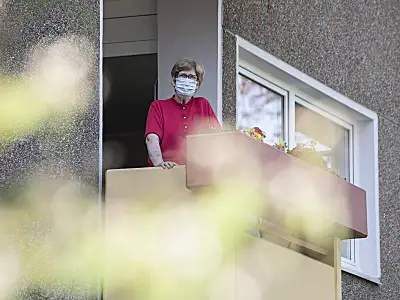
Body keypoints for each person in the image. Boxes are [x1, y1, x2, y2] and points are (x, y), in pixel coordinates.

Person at [145, 59, 222, 169]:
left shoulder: (202, 104)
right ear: (174, 80)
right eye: (183, 75)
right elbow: (151, 138)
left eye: (192, 77)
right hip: (167, 171)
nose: (187, 80)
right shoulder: (158, 106)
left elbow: (218, 137)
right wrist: (159, 164)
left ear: (197, 83)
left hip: (198, 171)